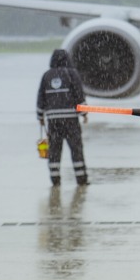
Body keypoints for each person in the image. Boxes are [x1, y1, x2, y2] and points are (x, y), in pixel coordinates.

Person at [36, 49, 88, 186]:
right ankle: (81, 180)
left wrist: (40, 116)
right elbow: (79, 94)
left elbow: (41, 97)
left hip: (53, 120)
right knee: (76, 149)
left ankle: (55, 180)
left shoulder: (46, 76)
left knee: (54, 150)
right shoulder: (72, 74)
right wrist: (84, 113)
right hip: (70, 119)